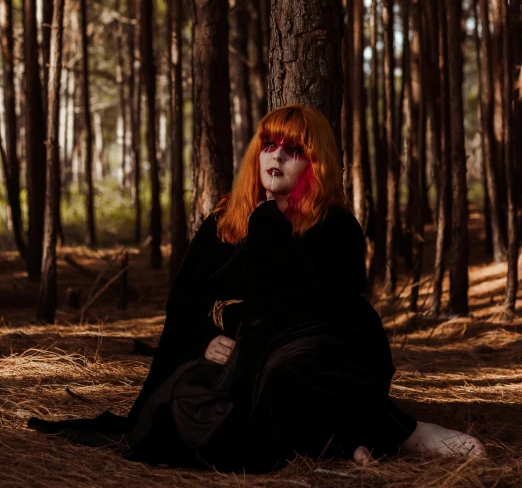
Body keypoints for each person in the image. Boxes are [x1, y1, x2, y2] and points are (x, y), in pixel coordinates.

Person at [28, 104, 485, 471]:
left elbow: (327, 303)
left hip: (320, 349)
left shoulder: (334, 224)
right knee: (184, 399)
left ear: (315, 161)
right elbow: (185, 302)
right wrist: (207, 340)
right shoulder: (224, 223)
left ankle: (400, 433)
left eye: (294, 149)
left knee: (287, 376)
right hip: (237, 363)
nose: (278, 156)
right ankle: (341, 442)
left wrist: (270, 227)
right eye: (270, 145)